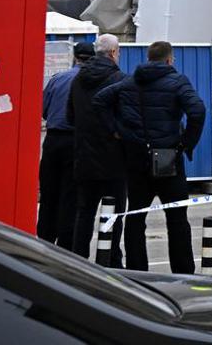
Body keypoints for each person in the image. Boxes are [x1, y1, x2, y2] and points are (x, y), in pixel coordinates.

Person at [94, 39, 206, 273]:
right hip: (168, 158)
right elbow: (197, 110)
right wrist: (186, 143)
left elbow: (99, 100)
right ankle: (183, 273)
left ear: (148, 58)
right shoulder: (177, 82)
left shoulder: (129, 81)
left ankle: (137, 271)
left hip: (137, 158)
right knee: (177, 219)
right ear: (169, 59)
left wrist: (117, 131)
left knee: (136, 217)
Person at [68, 34, 127, 264]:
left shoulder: (78, 80)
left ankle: (79, 260)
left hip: (84, 157)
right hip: (114, 159)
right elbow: (126, 119)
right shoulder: (120, 80)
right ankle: (111, 259)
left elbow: (70, 116)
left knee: (84, 212)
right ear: (113, 53)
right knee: (114, 214)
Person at [37, 41, 91, 248]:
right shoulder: (90, 81)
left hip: (53, 141)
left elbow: (43, 110)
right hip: (77, 141)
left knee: (49, 193)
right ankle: (65, 245)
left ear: (74, 57)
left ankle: (44, 240)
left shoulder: (57, 79)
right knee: (71, 196)